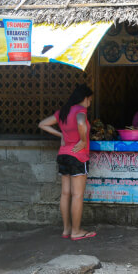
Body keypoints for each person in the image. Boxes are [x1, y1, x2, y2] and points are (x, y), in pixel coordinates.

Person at [38, 84, 96, 241]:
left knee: (65, 193)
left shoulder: (62, 112)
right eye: (89, 100)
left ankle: (66, 229)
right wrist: (83, 140)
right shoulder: (80, 111)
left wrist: (61, 135)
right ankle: (76, 231)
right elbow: (81, 123)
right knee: (77, 195)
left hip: (63, 154)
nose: (89, 103)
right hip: (78, 156)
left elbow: (42, 124)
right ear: (84, 98)